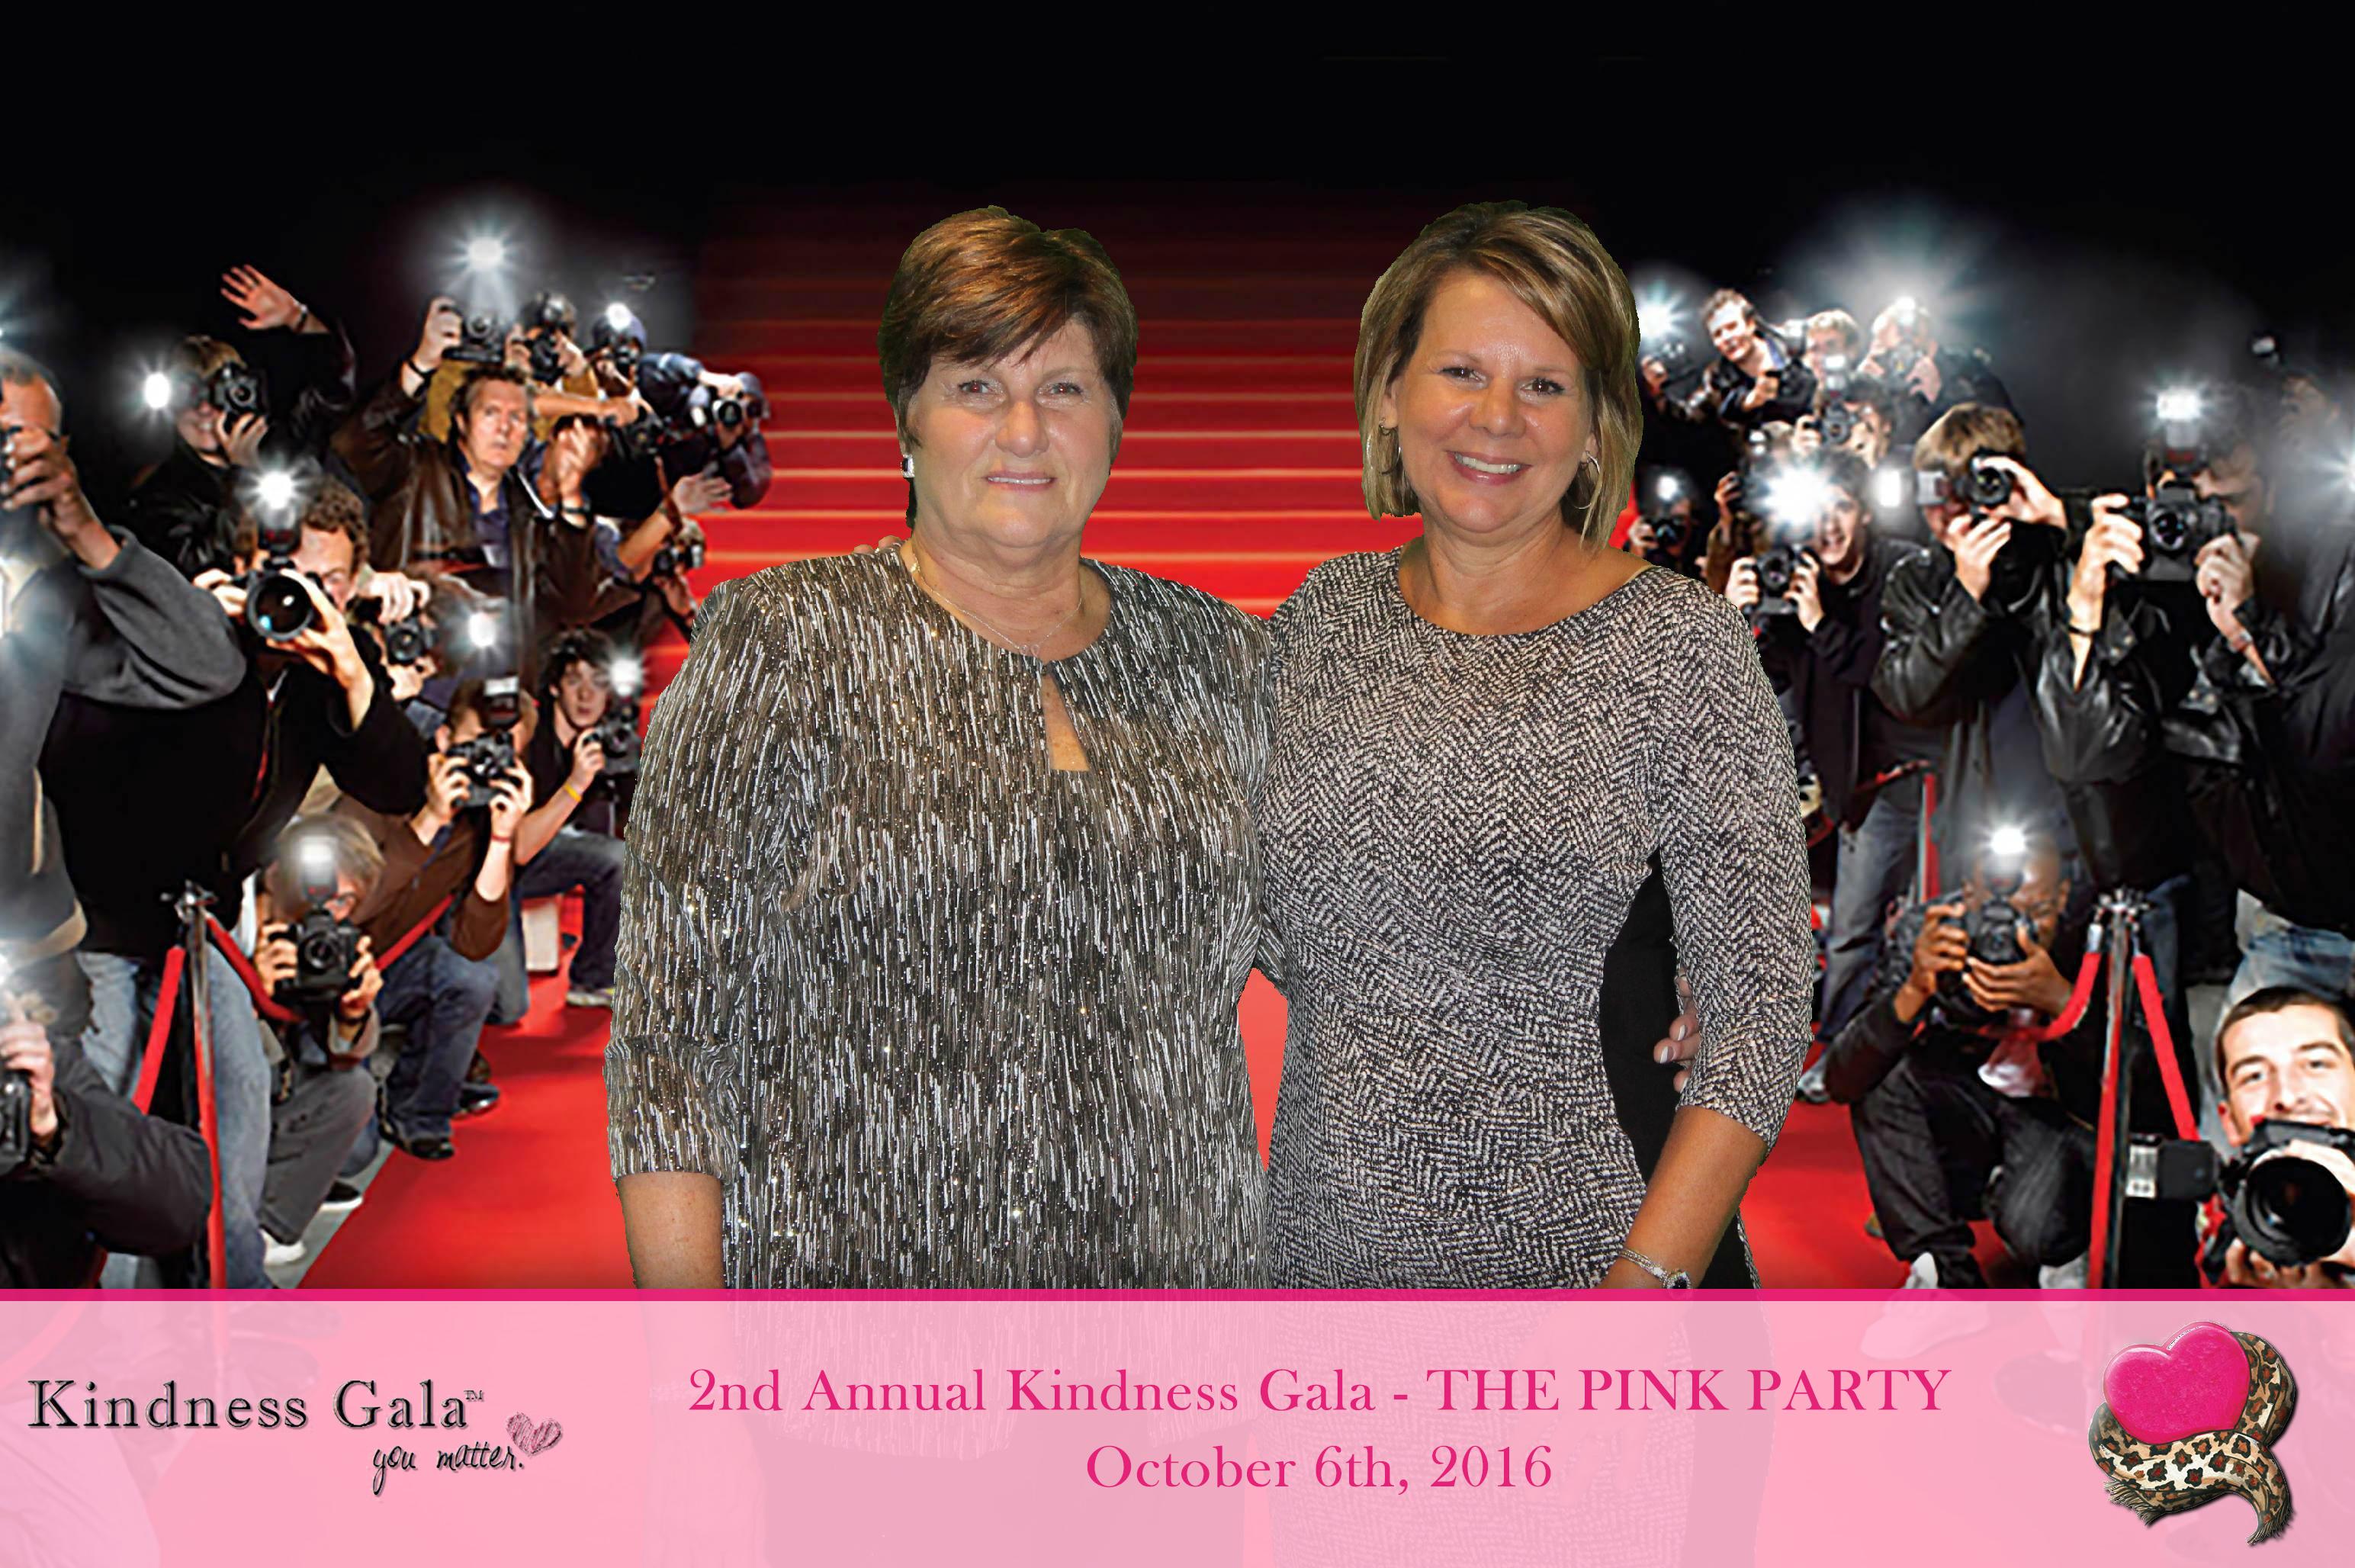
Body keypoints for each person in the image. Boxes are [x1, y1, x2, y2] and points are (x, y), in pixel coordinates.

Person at [608, 207, 1269, 1289]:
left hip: (1175, 1324)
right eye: (976, 385)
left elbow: (1352, 948)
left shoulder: (1219, 656)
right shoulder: (785, 643)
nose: (1024, 430)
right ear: (905, 423)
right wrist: (692, 1364)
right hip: (858, 1335)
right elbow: (673, 1041)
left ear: (1114, 423)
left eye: (1065, 388)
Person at [1260, 202, 1815, 1290]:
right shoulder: (1323, 618)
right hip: (1325, 1264)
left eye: (1546, 385)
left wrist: (1636, 1300)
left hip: (1597, 1274)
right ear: (1389, 392)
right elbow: (1275, 923)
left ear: (1599, 424)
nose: (1497, 419)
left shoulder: (1679, 647)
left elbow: (1755, 1018)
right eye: (1461, 371)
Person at [1727, 451, 1944, 1062]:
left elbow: (1899, 681)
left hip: (1917, 773)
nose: (1829, 526)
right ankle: (1843, 1051)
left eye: (1842, 508)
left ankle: (1895, 1053)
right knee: (1852, 931)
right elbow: (1765, 681)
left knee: (1905, 926)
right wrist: (1734, 619)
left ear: (1865, 513)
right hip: (1850, 779)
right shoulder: (1794, 579)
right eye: (1817, 512)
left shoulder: (1901, 571)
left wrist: (1820, 623)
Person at [1820, 831, 2100, 1288]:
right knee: (1886, 1071)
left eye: (2035, 913)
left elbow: (2147, 1079)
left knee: (2038, 1232)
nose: (2012, 931)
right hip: (1967, 1105)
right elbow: (1843, 1078)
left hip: (2054, 1116)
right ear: (1967, 894)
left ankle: (2057, 1233)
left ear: (2064, 895)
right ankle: (1943, 1276)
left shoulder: (2095, 939)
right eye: (1995, 912)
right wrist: (1914, 991)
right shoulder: (1933, 930)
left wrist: (2063, 1000)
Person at [333, 300, 609, 670]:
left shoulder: (529, 512)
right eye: (491, 413)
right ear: (461, 421)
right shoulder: (415, 469)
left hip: (495, 680)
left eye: (517, 418)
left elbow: (574, 606)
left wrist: (572, 495)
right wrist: (421, 364)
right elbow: (353, 442)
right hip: (407, 664)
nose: (505, 428)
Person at [338, 679, 532, 1160]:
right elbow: (345, 908)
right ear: (443, 739)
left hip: (391, 970)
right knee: (355, 1154)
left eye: (502, 751)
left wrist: (502, 840)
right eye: (476, 744)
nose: (487, 762)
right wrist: (428, 820)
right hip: (330, 976)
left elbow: (474, 945)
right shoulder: (382, 788)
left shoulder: (478, 823)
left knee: (472, 979)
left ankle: (418, 1112)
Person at [248, 818, 384, 1266]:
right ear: (277, 877)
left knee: (353, 1092)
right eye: (317, 893)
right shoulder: (235, 928)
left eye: (344, 900)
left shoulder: (328, 943)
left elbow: (344, 1056)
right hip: (217, 1107)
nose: (327, 910)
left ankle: (268, 1225)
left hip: (278, 1097)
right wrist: (249, 995)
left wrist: (353, 1014)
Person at [487, 627, 632, 1021]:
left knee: (621, 859)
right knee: (507, 1008)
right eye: (574, 682)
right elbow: (518, 849)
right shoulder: (526, 732)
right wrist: (576, 785)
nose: (586, 696)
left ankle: (594, 979)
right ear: (554, 688)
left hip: (546, 853)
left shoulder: (605, 736)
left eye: (598, 683)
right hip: (493, 872)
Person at [2207, 987, 2355, 1287]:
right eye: (2255, 1076)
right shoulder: (2228, 1238)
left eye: (2316, 1064)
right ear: (2229, 1122)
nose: (2287, 1095)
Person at [1642, 288, 1818, 443]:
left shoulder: (1798, 340)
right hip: (1771, 463)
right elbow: (1687, 417)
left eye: (1732, 327)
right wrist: (1656, 389)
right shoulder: (1717, 380)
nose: (1727, 338)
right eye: (1718, 334)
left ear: (1750, 324)